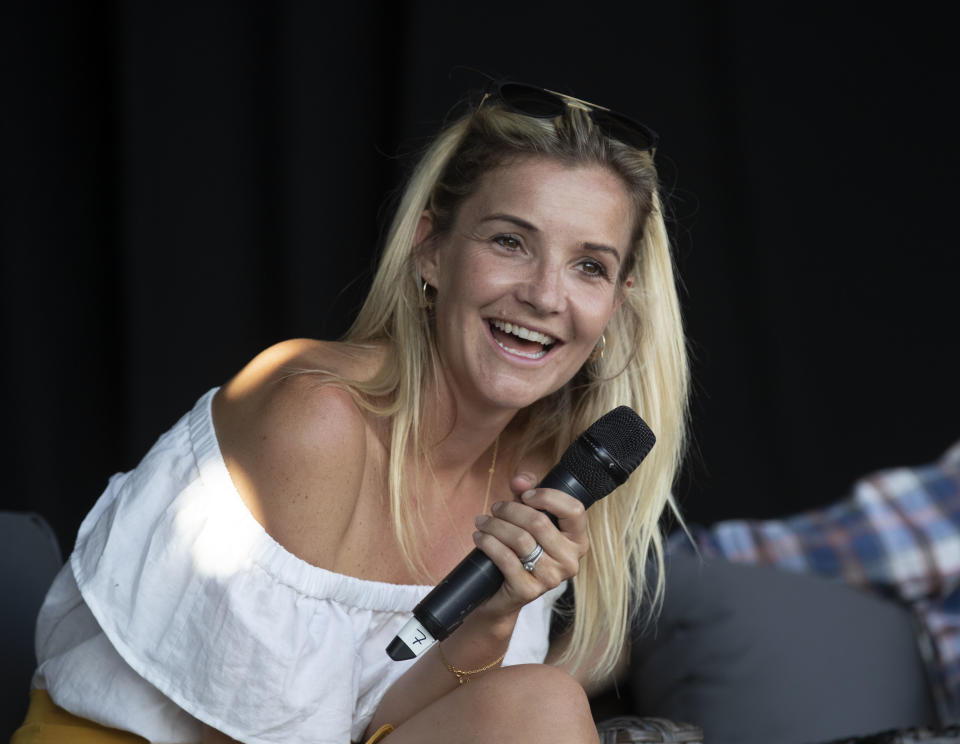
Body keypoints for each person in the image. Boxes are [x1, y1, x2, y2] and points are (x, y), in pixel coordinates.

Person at [13, 81, 689, 744]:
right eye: (510, 242)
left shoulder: (546, 477)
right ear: (431, 249)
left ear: (617, 302)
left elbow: (380, 722)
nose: (545, 295)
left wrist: (495, 616)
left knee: (539, 702)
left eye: (589, 267)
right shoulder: (318, 416)